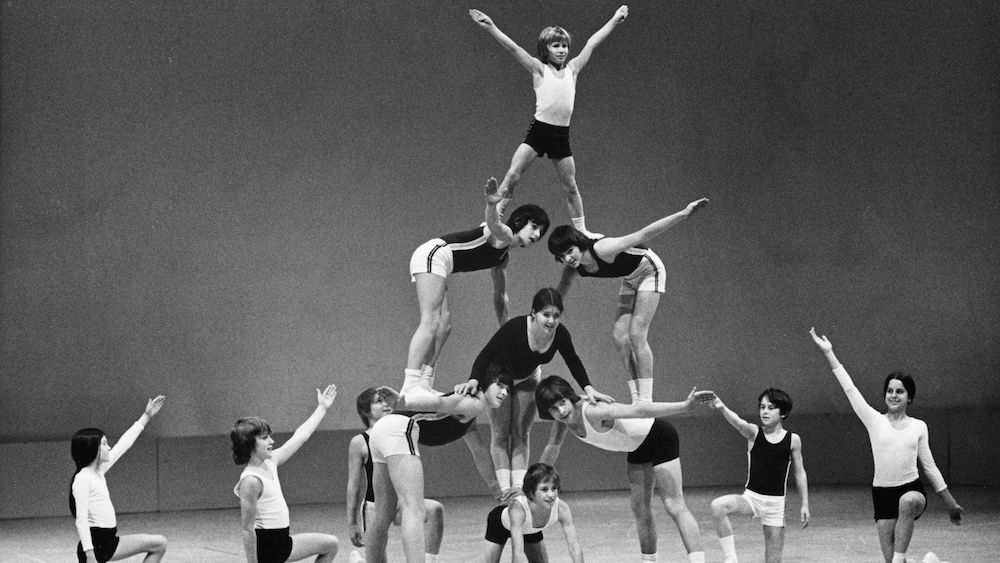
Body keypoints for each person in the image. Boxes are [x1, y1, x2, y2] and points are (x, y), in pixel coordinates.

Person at [469, 6, 629, 234]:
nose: (562, 50)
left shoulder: (573, 70)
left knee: (571, 186)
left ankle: (582, 230)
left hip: (560, 135)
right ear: (546, 49)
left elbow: (592, 43)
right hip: (539, 131)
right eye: (556, 46)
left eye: (564, 46)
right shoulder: (539, 69)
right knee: (513, 174)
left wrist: (614, 20)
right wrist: (492, 27)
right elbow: (514, 49)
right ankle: (492, 221)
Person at [809, 328, 963, 563]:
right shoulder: (874, 421)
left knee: (907, 502)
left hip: (911, 490)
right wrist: (829, 353)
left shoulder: (919, 426)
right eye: (890, 391)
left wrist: (950, 502)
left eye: (899, 392)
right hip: (882, 494)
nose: (893, 395)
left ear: (909, 397)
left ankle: (902, 559)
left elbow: (930, 468)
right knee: (890, 560)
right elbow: (850, 389)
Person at [535, 375, 715, 563]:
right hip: (637, 446)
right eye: (554, 408)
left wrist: (685, 406)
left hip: (659, 436)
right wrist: (531, 485)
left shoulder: (594, 411)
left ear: (570, 397)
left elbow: (638, 410)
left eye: (563, 402)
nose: (561, 411)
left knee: (674, 504)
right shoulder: (563, 422)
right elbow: (552, 447)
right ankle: (649, 560)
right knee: (640, 508)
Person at [456, 288, 613, 500]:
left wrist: (589, 388)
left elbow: (572, 359)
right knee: (501, 434)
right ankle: (504, 493)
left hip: (528, 377)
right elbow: (485, 355)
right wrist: (474, 380)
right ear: (533, 313)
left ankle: (519, 490)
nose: (551, 321)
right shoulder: (515, 328)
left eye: (556, 316)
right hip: (499, 379)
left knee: (520, 432)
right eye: (546, 315)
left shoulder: (560, 334)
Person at [548, 198, 709, 404]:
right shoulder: (574, 268)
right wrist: (538, 316)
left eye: (569, 251)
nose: (567, 259)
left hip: (649, 270)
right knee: (619, 336)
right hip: (631, 278)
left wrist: (684, 214)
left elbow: (643, 234)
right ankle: (636, 400)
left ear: (578, 244)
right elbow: (560, 291)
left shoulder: (603, 249)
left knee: (636, 333)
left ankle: (646, 400)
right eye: (562, 256)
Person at [404, 177, 550, 394]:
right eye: (534, 227)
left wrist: (507, 331)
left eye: (541, 232)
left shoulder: (503, 257)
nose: (536, 235)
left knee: (444, 326)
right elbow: (493, 224)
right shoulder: (504, 235)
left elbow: (500, 296)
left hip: (441, 264)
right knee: (431, 321)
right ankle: (410, 386)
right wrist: (492, 204)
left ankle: (425, 381)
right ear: (519, 221)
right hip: (434, 255)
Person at [366, 369, 513, 563]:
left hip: (381, 430)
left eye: (507, 389)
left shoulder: (471, 413)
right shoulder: (473, 402)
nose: (504, 393)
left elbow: (479, 451)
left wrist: (498, 491)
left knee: (383, 514)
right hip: (400, 428)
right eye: (499, 385)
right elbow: (440, 403)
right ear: (484, 384)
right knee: (414, 510)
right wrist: (403, 401)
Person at [232, 385, 340, 563]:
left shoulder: (271, 461)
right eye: (265, 437)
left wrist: (322, 408)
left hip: (283, 542)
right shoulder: (251, 480)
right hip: (268, 549)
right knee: (330, 544)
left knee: (331, 544)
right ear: (249, 443)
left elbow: (301, 435)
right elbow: (247, 529)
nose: (272, 441)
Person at [708, 389, 810, 563]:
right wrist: (722, 407)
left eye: (771, 408)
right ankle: (730, 558)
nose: (765, 411)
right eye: (762, 407)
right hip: (751, 500)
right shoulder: (754, 433)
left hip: (776, 506)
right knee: (718, 506)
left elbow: (799, 472)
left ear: (783, 412)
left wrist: (805, 504)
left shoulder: (793, 440)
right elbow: (738, 423)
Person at [347, 388, 445, 563]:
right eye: (378, 401)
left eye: (386, 400)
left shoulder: (399, 432)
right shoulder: (359, 442)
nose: (385, 404)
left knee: (435, 510)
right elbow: (354, 484)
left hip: (400, 505)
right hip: (375, 507)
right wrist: (352, 521)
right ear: (365, 410)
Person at [70, 396, 167, 563]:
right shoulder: (82, 479)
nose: (109, 448)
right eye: (104, 444)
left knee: (159, 544)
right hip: (95, 546)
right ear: (93, 449)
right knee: (158, 543)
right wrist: (90, 554)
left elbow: (124, 444)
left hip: (109, 541)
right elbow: (81, 521)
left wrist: (147, 415)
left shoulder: (98, 472)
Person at [482, 463, 584, 563]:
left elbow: (574, 547)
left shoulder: (562, 508)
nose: (551, 495)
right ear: (531, 492)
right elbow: (518, 553)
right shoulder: (517, 509)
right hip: (498, 527)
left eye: (554, 488)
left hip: (531, 531)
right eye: (544, 489)